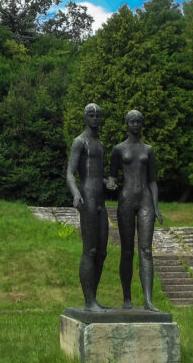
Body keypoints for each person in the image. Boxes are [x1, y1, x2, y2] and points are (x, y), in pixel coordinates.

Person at [107, 110, 163, 311]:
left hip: (145, 200)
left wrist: (156, 207)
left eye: (139, 121)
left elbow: (152, 180)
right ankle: (127, 298)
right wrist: (111, 183)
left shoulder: (148, 150)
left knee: (146, 250)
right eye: (132, 121)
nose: (136, 124)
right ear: (127, 123)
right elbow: (112, 175)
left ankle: (148, 300)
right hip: (127, 200)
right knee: (127, 251)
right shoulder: (118, 149)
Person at [66, 103, 110, 311]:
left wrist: (108, 182)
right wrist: (76, 193)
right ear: (85, 117)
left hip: (100, 200)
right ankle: (88, 301)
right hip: (88, 199)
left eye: (97, 115)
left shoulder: (100, 145)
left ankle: (94, 297)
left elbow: (98, 175)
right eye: (91, 115)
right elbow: (70, 173)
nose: (95, 118)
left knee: (102, 252)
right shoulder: (79, 142)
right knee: (90, 250)